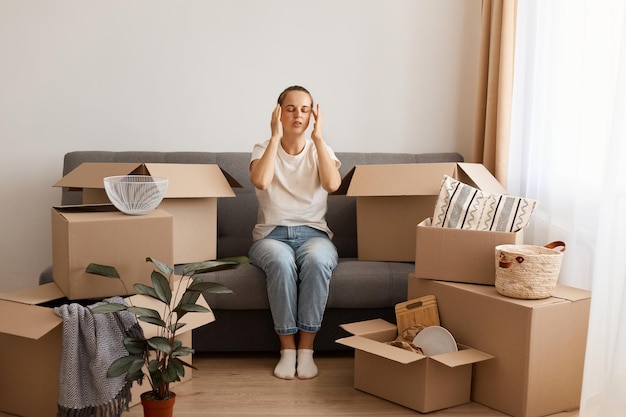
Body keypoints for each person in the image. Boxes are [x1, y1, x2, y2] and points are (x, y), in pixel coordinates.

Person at [248, 85, 342, 380]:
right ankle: (287, 349)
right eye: (290, 109)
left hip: (314, 234)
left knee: (317, 261)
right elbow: (261, 182)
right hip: (271, 236)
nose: (298, 115)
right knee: (280, 261)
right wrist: (276, 137)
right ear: (278, 112)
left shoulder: (321, 149)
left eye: (304, 109)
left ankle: (306, 350)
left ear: (313, 114)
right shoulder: (263, 148)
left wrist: (318, 138)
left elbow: (332, 185)